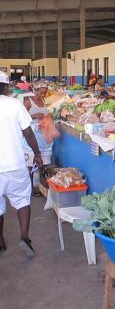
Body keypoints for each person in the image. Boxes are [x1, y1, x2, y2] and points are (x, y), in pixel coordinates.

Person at [0, 71, 43, 257]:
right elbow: (28, 133)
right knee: (22, 200)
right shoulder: (15, 105)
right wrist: (37, 154)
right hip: (15, 163)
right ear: (5, 86)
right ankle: (24, 237)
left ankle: (0, 240)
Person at [23, 83, 53, 195]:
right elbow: (21, 118)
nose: (43, 95)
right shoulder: (28, 102)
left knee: (42, 162)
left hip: (42, 136)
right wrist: (34, 116)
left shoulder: (44, 102)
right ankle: (29, 188)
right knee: (30, 164)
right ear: (35, 90)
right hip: (31, 136)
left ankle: (41, 186)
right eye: (41, 92)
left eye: (44, 93)